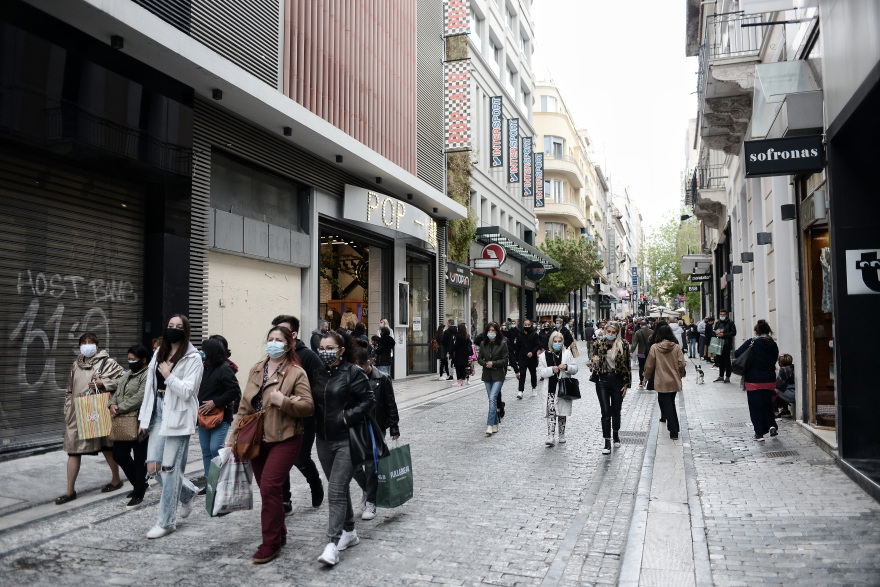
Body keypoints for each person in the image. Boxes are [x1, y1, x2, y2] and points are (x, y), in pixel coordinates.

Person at [230, 326, 314, 563]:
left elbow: (308, 406)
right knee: (270, 492)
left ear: (288, 345)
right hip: (256, 439)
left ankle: (270, 543)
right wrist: (232, 439)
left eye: (279, 340)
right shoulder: (257, 369)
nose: (274, 343)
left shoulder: (296, 372)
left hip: (284, 438)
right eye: (270, 339)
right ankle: (280, 532)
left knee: (269, 488)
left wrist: (284, 401)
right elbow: (244, 408)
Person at [137, 314, 204, 539]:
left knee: (169, 469)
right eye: (170, 326)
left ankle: (166, 522)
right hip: (158, 410)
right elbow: (149, 387)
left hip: (178, 414)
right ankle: (187, 493)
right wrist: (144, 420)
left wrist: (169, 375)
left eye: (178, 327)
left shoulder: (193, 357)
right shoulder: (159, 352)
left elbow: (187, 391)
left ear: (186, 331)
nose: (173, 329)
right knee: (153, 468)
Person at [313, 329, 375, 566]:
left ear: (341, 351)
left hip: (346, 440)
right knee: (338, 488)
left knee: (336, 490)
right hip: (323, 440)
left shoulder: (353, 373)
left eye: (330, 348)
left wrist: (347, 416)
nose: (325, 352)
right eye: (322, 348)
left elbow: (369, 400)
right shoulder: (317, 373)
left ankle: (332, 543)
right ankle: (350, 531)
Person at [56, 332, 125, 505]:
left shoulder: (107, 362)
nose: (87, 345)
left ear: (97, 344)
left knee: (106, 447)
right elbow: (69, 390)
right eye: (84, 342)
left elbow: (123, 380)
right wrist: (67, 408)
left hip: (97, 412)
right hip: (76, 413)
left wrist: (104, 383)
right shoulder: (76, 364)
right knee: (73, 449)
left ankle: (116, 479)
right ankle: (69, 490)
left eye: (91, 342)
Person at [271, 315, 325, 516]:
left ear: (293, 334)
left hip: (304, 418)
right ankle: (285, 501)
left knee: (301, 458)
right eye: (274, 333)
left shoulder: (309, 357)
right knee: (280, 459)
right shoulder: (274, 358)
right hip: (279, 416)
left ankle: (315, 484)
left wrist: (301, 398)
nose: (277, 337)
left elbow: (320, 387)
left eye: (282, 332)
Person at [352, 341, 400, 520]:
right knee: (355, 466)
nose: (357, 369)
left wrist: (394, 426)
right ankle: (367, 489)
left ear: (369, 363)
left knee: (372, 465)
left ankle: (371, 502)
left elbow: (390, 404)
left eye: (361, 365)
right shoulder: (351, 379)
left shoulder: (382, 378)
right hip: (355, 428)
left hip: (375, 428)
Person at [196, 338, 241, 493]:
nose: (201, 353)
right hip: (203, 416)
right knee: (205, 450)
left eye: (204, 350)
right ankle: (210, 484)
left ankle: (221, 480)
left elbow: (234, 390)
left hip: (221, 416)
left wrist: (215, 402)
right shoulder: (203, 367)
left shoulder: (224, 368)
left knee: (216, 448)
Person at [109, 344, 150, 510]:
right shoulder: (127, 375)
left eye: (134, 360)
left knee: (140, 458)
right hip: (123, 421)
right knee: (118, 454)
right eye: (129, 359)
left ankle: (138, 492)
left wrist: (120, 407)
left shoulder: (147, 375)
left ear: (144, 360)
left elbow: (140, 397)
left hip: (140, 421)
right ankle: (140, 484)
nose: (130, 362)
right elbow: (117, 392)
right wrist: (111, 404)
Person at [734, 320, 779, 441]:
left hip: (753, 379)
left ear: (756, 331)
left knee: (755, 407)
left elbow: (737, 353)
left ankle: (759, 433)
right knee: (767, 404)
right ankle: (771, 425)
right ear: (768, 330)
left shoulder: (752, 342)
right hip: (769, 379)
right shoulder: (773, 344)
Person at [590, 322, 631, 455]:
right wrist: (593, 365)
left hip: (617, 380)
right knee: (605, 411)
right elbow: (594, 360)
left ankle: (616, 434)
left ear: (617, 332)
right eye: (609, 331)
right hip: (602, 379)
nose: (611, 334)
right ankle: (607, 441)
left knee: (616, 409)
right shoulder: (599, 343)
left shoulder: (623, 344)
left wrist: (626, 384)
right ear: (605, 331)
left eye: (613, 332)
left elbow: (627, 365)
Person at [643, 325, 687, 439]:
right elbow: (681, 363)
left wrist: (646, 378)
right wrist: (681, 374)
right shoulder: (676, 347)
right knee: (670, 402)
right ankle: (675, 427)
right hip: (674, 379)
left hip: (661, 380)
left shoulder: (655, 347)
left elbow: (649, 365)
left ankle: (673, 431)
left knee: (667, 404)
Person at [538, 331, 579, 446]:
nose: (557, 343)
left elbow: (575, 369)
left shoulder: (567, 354)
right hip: (550, 389)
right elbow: (540, 372)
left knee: (561, 412)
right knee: (551, 412)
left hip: (563, 388)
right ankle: (550, 435)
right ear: (551, 342)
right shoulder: (543, 356)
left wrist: (566, 367)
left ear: (562, 342)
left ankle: (561, 434)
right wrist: (551, 370)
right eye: (555, 341)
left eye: (559, 341)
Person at [477, 322, 509, 436]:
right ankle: (495, 423)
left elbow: (505, 360)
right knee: (492, 400)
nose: (491, 333)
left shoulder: (502, 344)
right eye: (489, 331)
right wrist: (486, 364)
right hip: (487, 375)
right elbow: (479, 358)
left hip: (498, 375)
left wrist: (494, 363)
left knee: (492, 398)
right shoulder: (483, 344)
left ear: (497, 332)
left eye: (493, 331)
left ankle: (490, 424)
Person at [517, 319, 541, 399]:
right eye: (525, 325)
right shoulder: (520, 334)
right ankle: (520, 391)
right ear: (523, 325)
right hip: (522, 357)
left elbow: (538, 345)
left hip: (532, 358)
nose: (527, 326)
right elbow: (517, 347)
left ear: (530, 325)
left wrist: (532, 352)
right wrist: (517, 359)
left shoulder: (534, 334)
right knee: (522, 374)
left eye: (528, 325)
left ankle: (534, 388)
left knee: (533, 374)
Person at [713, 310, 737, 382]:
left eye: (723, 314)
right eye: (721, 314)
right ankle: (721, 375)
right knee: (719, 360)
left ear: (726, 315)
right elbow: (714, 331)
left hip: (726, 343)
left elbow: (733, 332)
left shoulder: (730, 323)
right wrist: (716, 332)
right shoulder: (718, 323)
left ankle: (728, 376)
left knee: (726, 360)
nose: (722, 316)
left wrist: (724, 335)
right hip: (719, 343)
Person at [630, 320, 653, 389]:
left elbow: (634, 343)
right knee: (649, 366)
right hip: (650, 353)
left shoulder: (638, 332)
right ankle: (649, 380)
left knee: (641, 367)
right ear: (647, 325)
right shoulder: (651, 332)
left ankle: (641, 381)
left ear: (641, 325)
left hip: (641, 353)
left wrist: (631, 351)